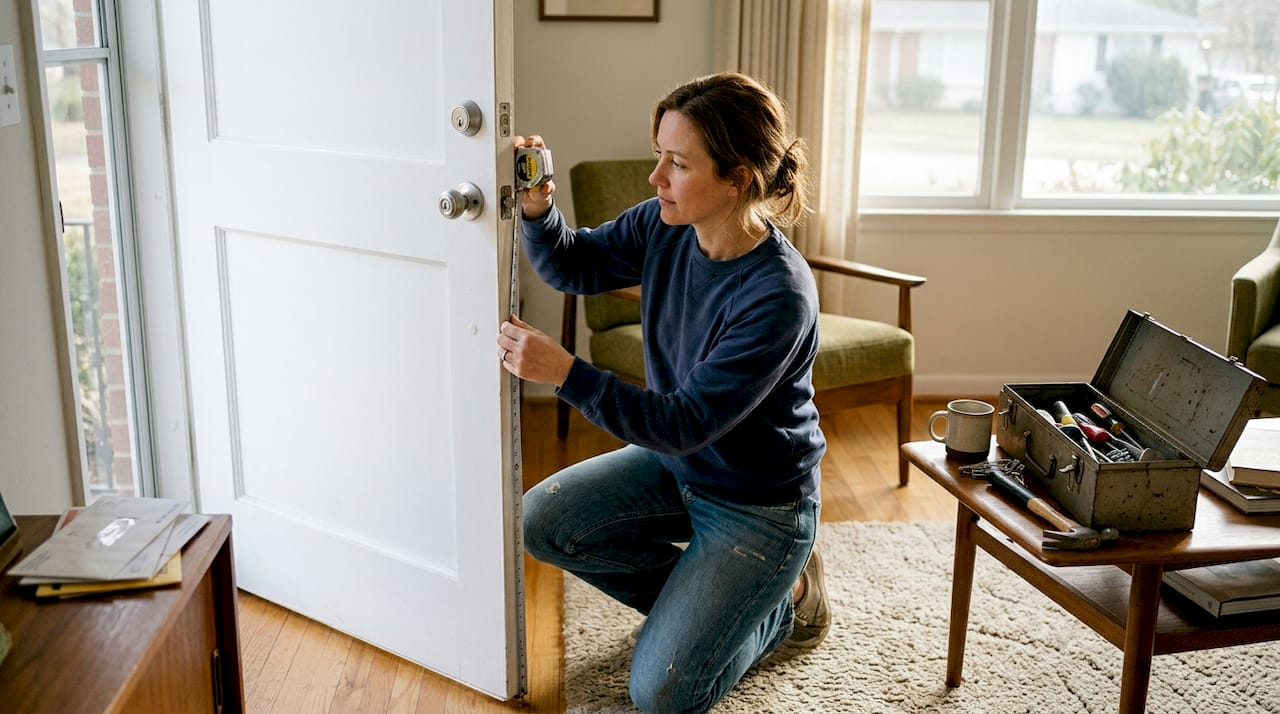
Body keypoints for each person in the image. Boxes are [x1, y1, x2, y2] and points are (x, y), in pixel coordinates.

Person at [496, 72, 829, 713]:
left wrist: (566, 373)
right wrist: (539, 206)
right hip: (680, 470)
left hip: (757, 505)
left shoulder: (777, 296)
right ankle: (728, 603)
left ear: (738, 180)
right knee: (541, 522)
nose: (655, 178)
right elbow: (576, 263)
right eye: (659, 156)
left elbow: (682, 421)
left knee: (663, 696)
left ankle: (781, 609)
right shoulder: (665, 223)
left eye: (677, 164)